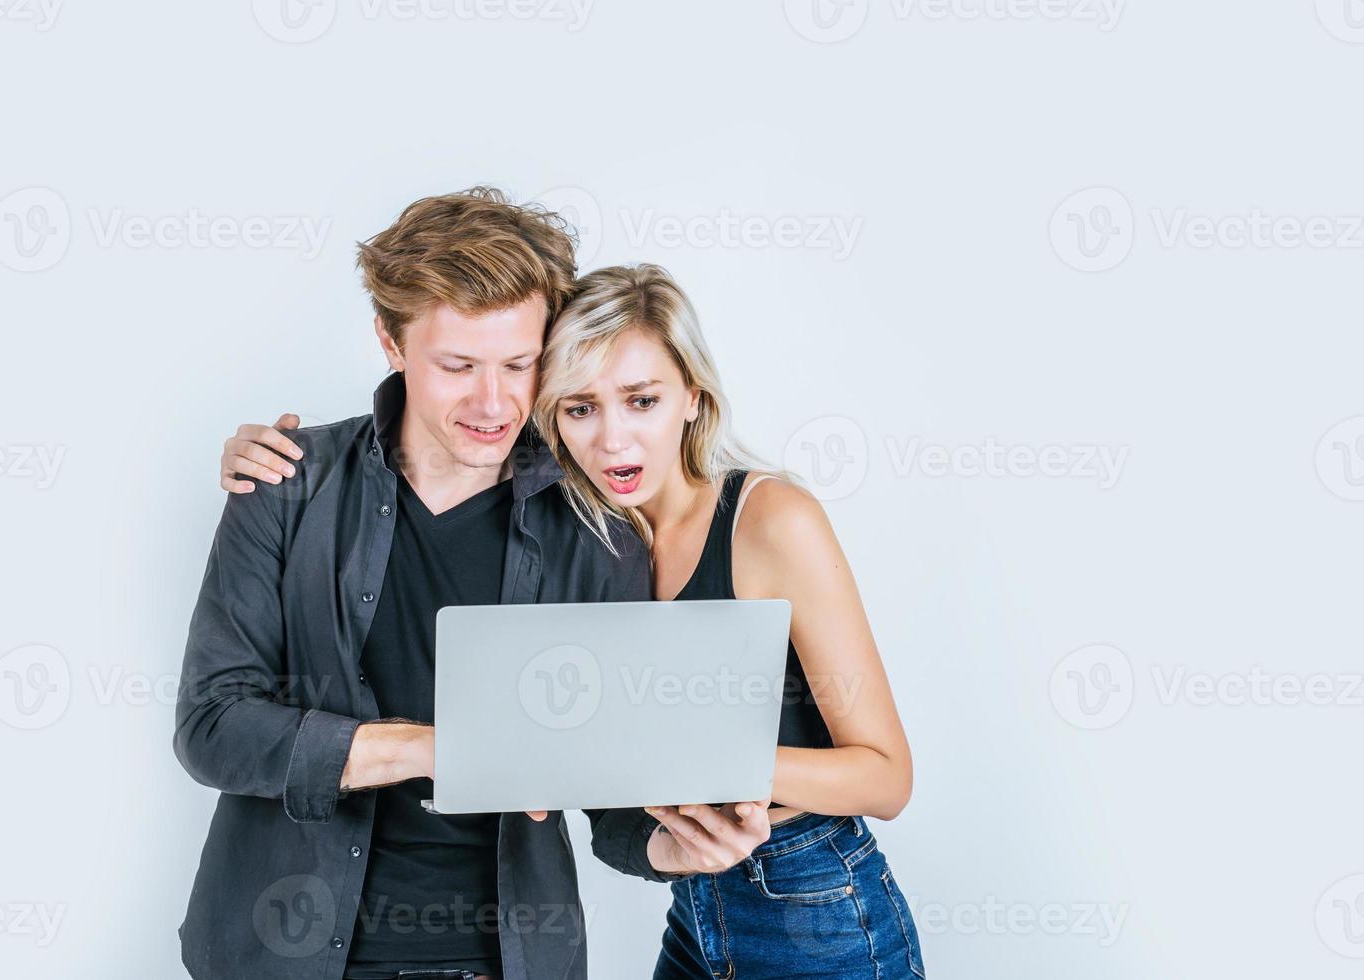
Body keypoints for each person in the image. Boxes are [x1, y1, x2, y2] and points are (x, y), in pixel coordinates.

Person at [222, 263, 926, 979]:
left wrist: (697, 765)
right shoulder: (594, 537)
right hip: (697, 902)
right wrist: (285, 463)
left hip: (813, 898)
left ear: (693, 396)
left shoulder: (770, 519)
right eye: (580, 408)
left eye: (642, 400)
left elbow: (886, 777)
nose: (614, 441)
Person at [176, 190, 771, 980]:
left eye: (520, 365)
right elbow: (212, 726)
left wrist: (675, 844)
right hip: (276, 952)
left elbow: (609, 788)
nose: (494, 404)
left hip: (503, 959)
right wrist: (442, 750)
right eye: (457, 366)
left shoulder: (597, 527)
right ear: (390, 340)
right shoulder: (286, 482)